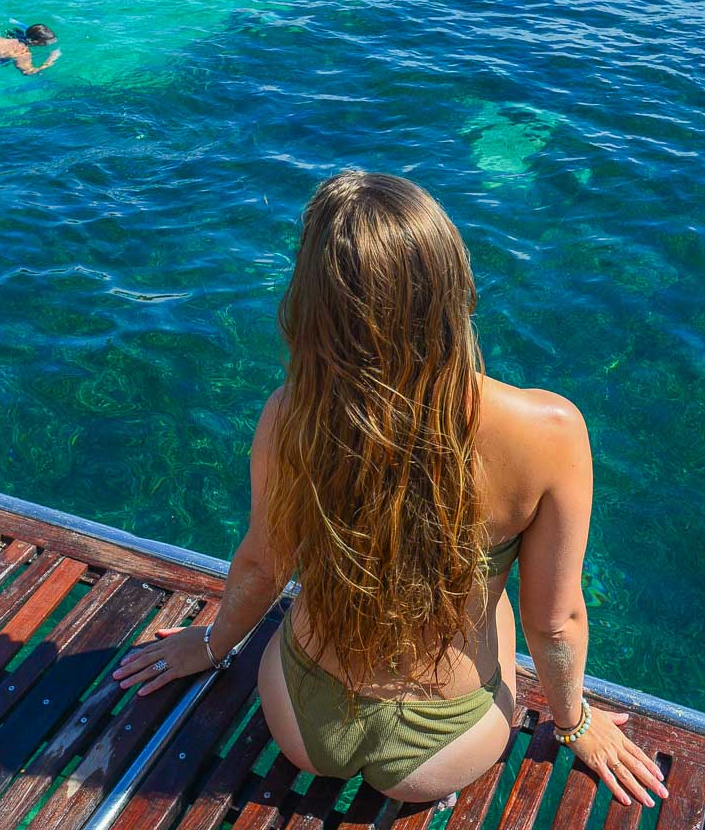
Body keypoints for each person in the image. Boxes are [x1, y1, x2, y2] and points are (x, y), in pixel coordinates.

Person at [112, 171, 669, 808]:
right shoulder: (550, 432)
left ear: (314, 304)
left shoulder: (290, 414)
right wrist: (575, 725)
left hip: (300, 715)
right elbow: (557, 622)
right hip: (448, 741)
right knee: (502, 601)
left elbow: (264, 565)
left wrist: (211, 644)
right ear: (452, 285)